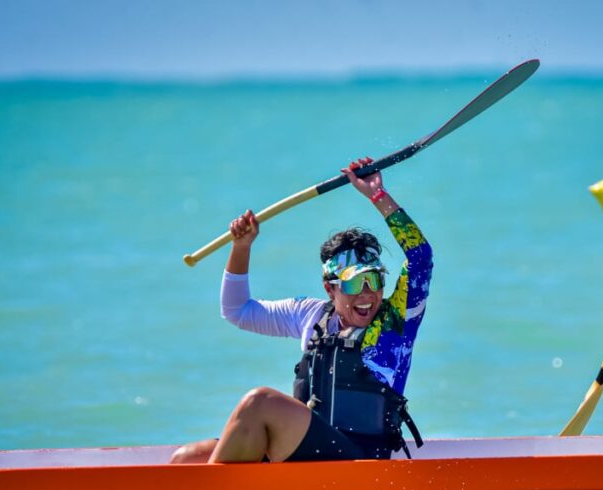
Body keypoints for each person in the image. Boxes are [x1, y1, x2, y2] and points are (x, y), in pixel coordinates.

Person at [170, 157, 433, 464]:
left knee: (260, 402)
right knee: (185, 459)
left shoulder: (395, 322)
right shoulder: (310, 315)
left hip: (360, 461)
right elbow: (237, 309)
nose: (367, 294)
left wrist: (377, 195)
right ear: (329, 289)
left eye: (374, 280)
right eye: (353, 283)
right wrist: (241, 247)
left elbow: (420, 255)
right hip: (309, 454)